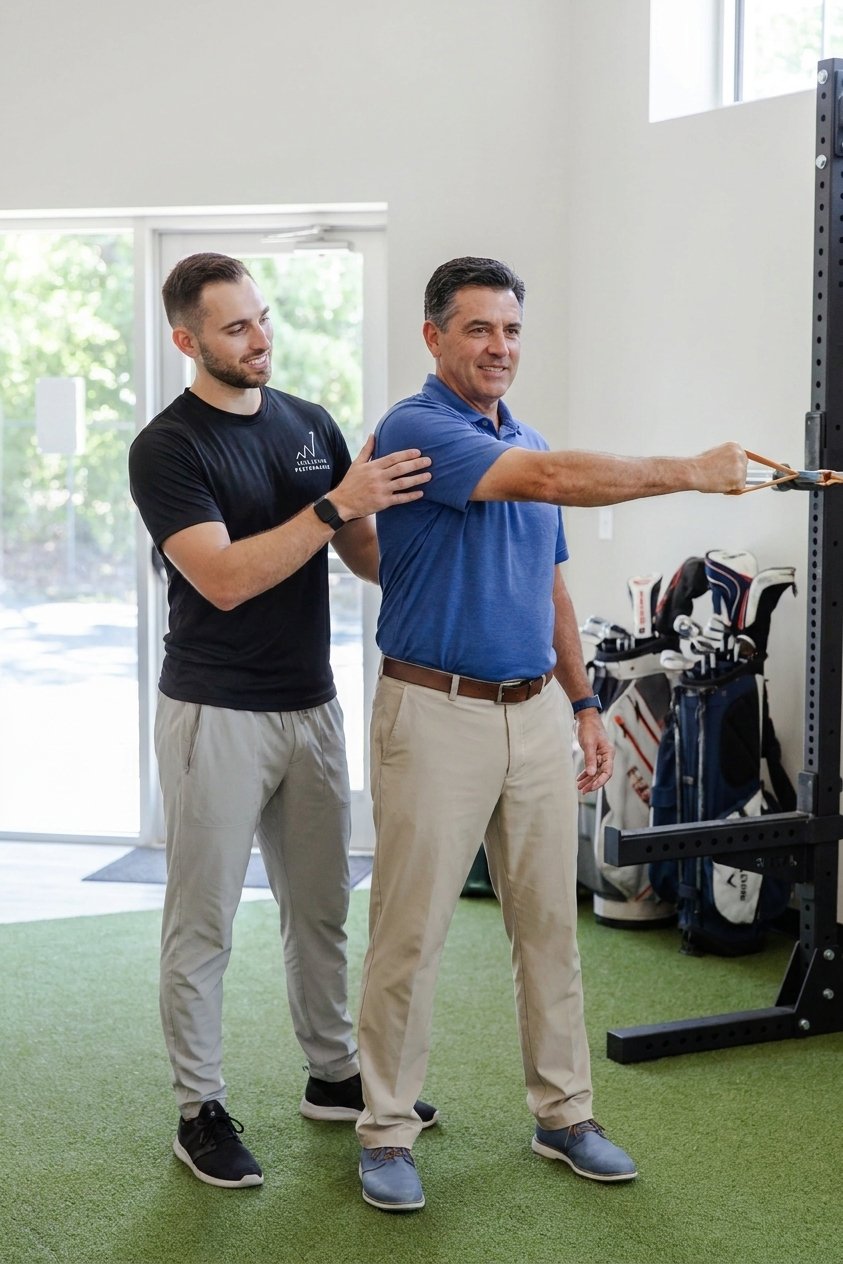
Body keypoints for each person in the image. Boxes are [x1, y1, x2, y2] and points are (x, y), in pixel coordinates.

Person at [354, 256, 748, 1212]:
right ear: (434, 337)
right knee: (410, 934)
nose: (499, 348)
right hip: (433, 710)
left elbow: (550, 586)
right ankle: (386, 1131)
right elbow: (556, 477)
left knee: (548, 931)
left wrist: (581, 703)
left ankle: (564, 1114)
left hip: (531, 711)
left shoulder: (519, 435)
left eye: (513, 331)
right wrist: (692, 472)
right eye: (479, 329)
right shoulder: (419, 430)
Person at [128, 252, 437, 1190]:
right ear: (187, 340)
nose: (259, 339)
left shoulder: (310, 425)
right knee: (204, 923)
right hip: (214, 712)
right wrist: (337, 500)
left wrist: (462, 539)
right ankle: (200, 1110)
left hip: (311, 706)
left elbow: (363, 553)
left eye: (262, 319)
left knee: (321, 911)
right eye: (234, 328)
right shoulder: (167, 447)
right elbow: (220, 580)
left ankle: (334, 1075)